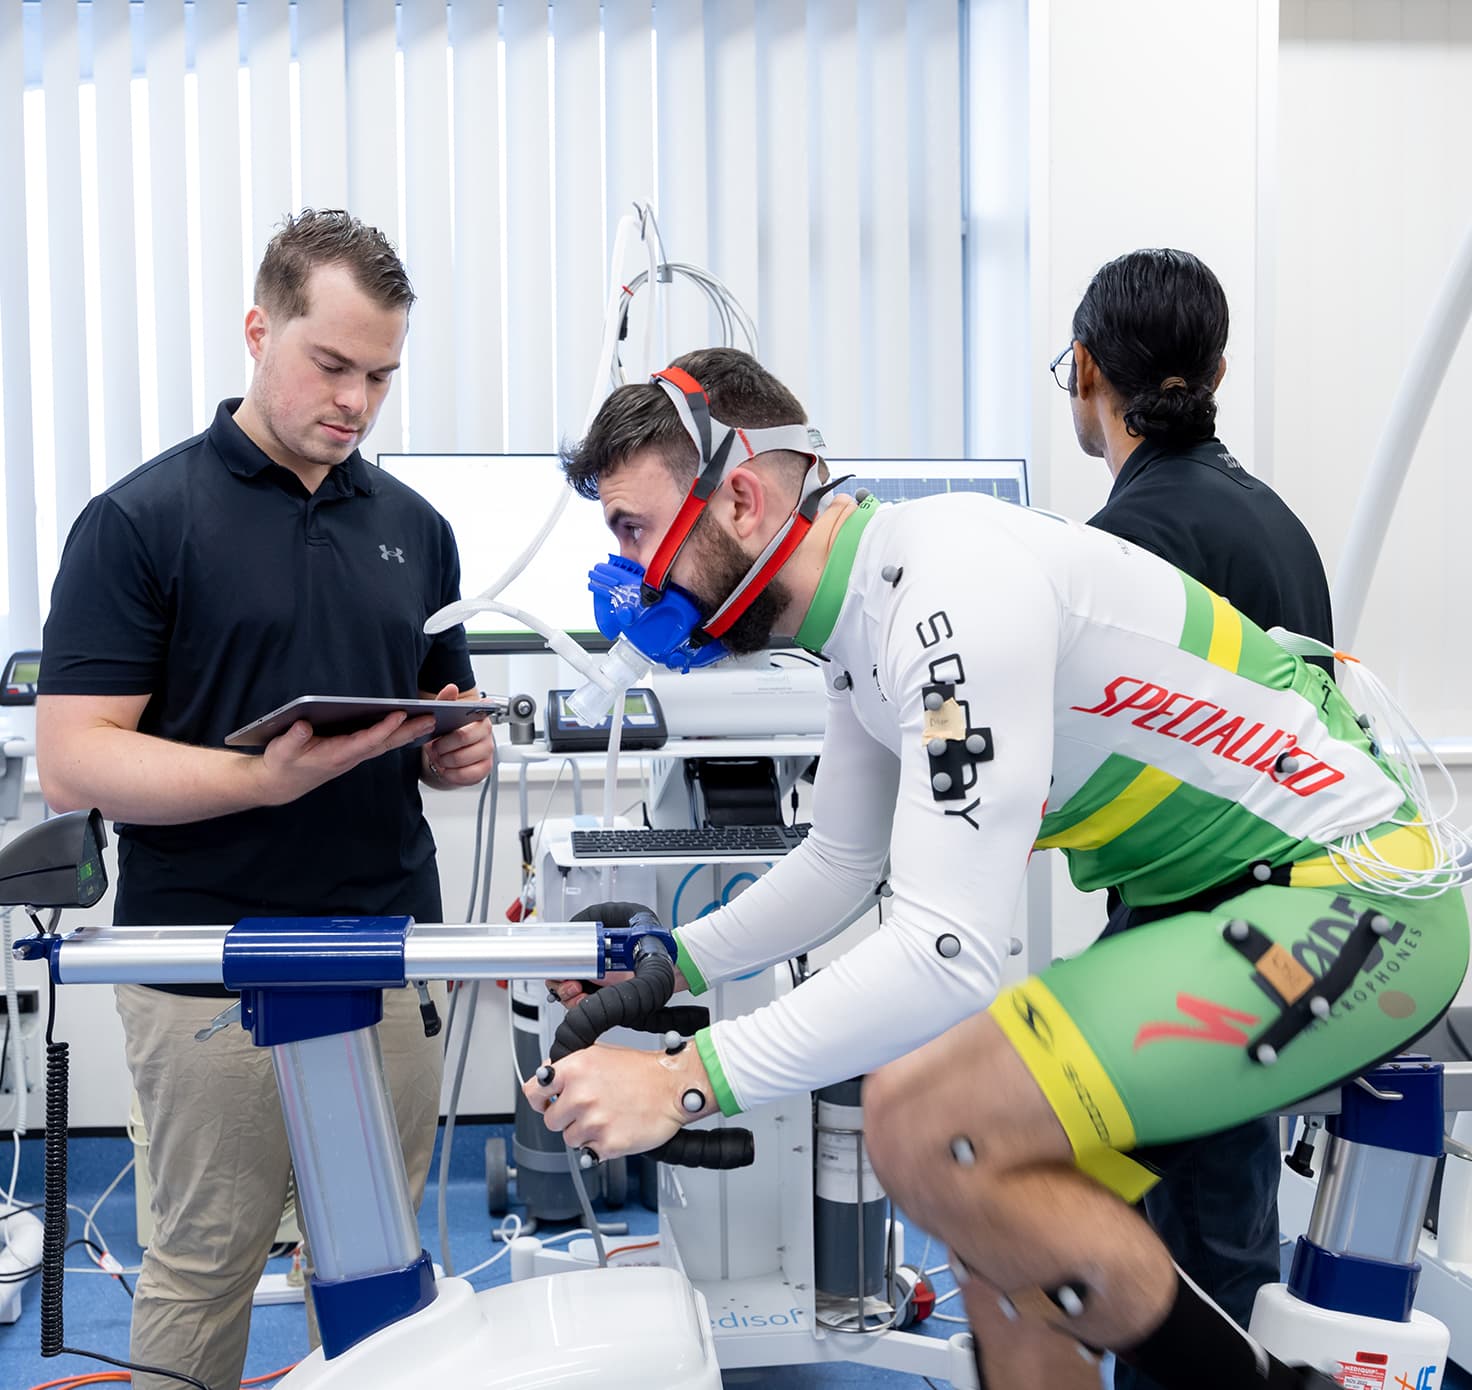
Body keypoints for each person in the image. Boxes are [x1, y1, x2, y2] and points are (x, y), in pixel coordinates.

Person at [521, 346, 1468, 1390]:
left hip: (1353, 900)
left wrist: (683, 1080)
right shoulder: (866, 616)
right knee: (995, 1246)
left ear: (739, 500)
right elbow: (840, 861)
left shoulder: (948, 595)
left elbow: (947, 950)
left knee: (933, 1126)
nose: (624, 577)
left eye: (632, 531)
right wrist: (666, 963)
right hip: (1216, 904)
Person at [36, 210, 495, 1390]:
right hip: (207, 961)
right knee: (204, 1265)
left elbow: (438, 713)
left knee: (376, 1268)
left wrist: (457, 753)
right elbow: (75, 759)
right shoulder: (139, 522)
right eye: (330, 364)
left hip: (381, 947)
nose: (355, 401)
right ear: (258, 329)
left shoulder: (415, 531)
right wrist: (257, 778)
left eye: (380, 376)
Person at [1059, 247, 1336, 1387]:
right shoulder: (1275, 524)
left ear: (1085, 372)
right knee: (1218, 1235)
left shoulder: (1118, 549)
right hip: (1281, 933)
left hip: (1189, 941)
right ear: (1216, 371)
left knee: (1165, 1261)